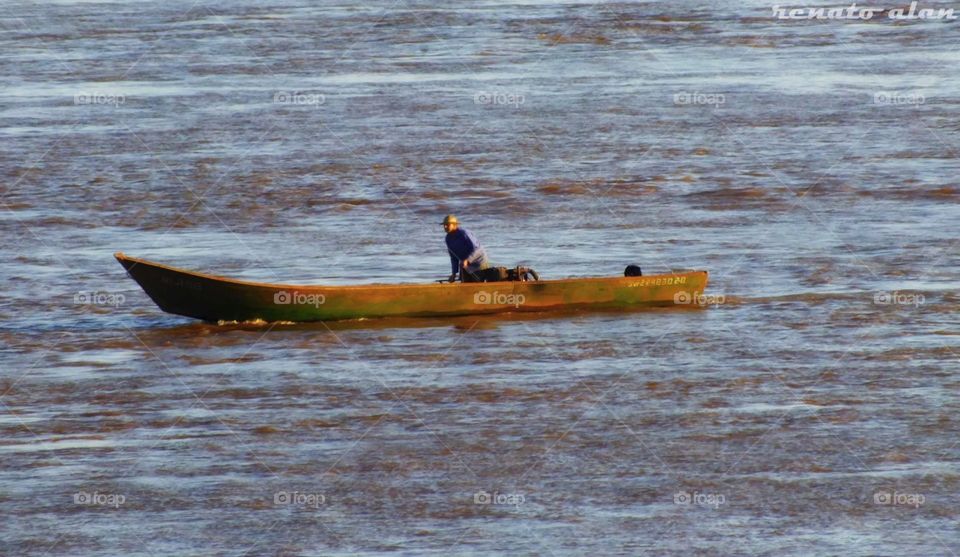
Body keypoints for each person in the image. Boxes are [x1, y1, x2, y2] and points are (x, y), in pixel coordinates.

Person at [442, 214, 490, 282]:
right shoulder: (448, 239)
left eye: (448, 224)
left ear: (455, 225)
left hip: (479, 262)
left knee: (478, 286)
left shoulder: (464, 233)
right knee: (464, 284)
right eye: (444, 225)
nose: (445, 226)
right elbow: (453, 258)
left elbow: (477, 249)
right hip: (465, 265)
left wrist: (467, 260)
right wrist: (454, 274)